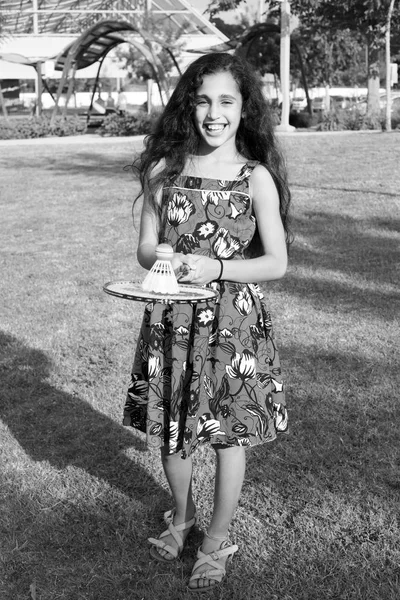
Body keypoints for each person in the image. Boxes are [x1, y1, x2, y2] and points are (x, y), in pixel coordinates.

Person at [123, 52, 292, 593]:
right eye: (203, 101)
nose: (214, 113)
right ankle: (183, 516)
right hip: (172, 320)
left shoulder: (254, 178)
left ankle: (217, 539)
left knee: (225, 436)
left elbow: (277, 263)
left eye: (226, 101)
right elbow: (147, 250)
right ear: (187, 106)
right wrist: (165, 257)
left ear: (245, 110)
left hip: (231, 326)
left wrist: (217, 266)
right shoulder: (164, 173)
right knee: (173, 432)